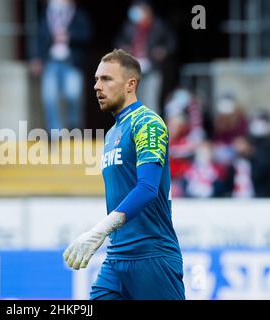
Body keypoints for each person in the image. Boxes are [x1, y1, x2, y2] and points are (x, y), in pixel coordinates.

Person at [63, 49, 185, 300]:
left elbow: (147, 189)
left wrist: (99, 230)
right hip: (116, 258)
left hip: (152, 257)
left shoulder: (147, 123)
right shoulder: (111, 133)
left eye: (106, 79)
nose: (97, 86)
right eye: (96, 79)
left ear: (131, 84)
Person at [28, 0, 92, 131]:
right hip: (51, 62)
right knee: (49, 97)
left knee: (73, 95)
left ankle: (73, 127)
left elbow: (87, 34)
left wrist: (70, 36)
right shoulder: (46, 15)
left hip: (72, 62)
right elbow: (38, 38)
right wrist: (36, 58)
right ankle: (55, 132)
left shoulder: (78, 15)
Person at [114, 1, 176, 115]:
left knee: (151, 101)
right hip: (133, 70)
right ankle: (138, 130)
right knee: (135, 102)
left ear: (147, 11)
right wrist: (124, 49)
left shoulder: (158, 26)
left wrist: (163, 51)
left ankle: (153, 131)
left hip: (152, 68)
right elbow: (118, 42)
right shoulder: (129, 26)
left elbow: (171, 42)